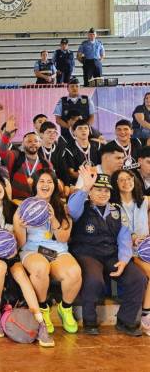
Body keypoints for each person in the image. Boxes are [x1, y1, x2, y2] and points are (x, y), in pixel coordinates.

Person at [68, 167, 147, 335]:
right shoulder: (81, 206)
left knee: (137, 278)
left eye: (106, 190)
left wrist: (124, 260)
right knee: (94, 280)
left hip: (111, 254)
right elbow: (72, 210)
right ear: (90, 191)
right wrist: (84, 188)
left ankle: (126, 321)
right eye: (98, 189)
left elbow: (124, 238)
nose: (103, 193)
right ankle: (90, 321)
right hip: (86, 253)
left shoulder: (116, 210)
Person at [0, 177, 54, 346]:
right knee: (0, 267)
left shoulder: (16, 209)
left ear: (4, 186)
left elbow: (21, 243)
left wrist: (17, 233)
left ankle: (40, 322)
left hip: (13, 254)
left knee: (20, 273)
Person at [14, 169, 82, 335]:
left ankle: (65, 308)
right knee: (40, 267)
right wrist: (22, 227)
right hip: (32, 250)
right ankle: (43, 307)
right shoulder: (24, 207)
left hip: (57, 250)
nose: (45, 185)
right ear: (35, 185)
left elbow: (64, 238)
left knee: (74, 272)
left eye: (49, 182)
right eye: (42, 181)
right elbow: (20, 243)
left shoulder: (62, 207)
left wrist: (52, 219)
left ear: (55, 185)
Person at [110, 169, 150, 335]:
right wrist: (133, 238)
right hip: (130, 253)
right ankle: (146, 315)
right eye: (121, 180)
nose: (127, 182)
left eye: (129, 178)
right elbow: (119, 231)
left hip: (146, 249)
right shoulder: (113, 206)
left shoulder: (145, 201)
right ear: (116, 185)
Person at [0, 116, 50, 200]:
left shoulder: (46, 164)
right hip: (17, 202)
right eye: (29, 141)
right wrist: (7, 133)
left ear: (40, 144)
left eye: (36, 141)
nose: (33, 143)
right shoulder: (15, 157)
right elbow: (2, 152)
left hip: (39, 200)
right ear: (23, 144)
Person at [64, 120, 101, 185]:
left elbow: (102, 167)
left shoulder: (97, 146)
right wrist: (88, 177)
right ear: (74, 132)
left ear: (89, 131)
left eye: (86, 128)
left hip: (97, 180)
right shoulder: (69, 149)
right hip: (78, 182)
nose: (83, 130)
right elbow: (71, 173)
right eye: (80, 128)